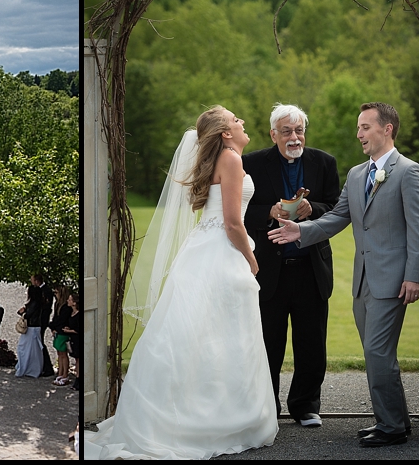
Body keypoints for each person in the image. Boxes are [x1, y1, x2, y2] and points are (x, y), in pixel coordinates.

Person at [86, 106, 277, 459]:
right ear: (225, 133)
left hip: (202, 250)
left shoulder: (221, 158)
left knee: (198, 335)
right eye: (236, 120)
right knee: (223, 334)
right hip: (221, 253)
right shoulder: (232, 159)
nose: (242, 123)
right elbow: (234, 224)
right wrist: (252, 261)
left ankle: (197, 411)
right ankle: (218, 417)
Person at [269, 102, 419, 447]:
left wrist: (415, 276)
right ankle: (395, 420)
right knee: (377, 354)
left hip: (394, 279)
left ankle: (391, 428)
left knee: (377, 353)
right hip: (363, 281)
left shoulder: (410, 171)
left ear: (387, 129)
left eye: (365, 127)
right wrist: (300, 232)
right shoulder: (358, 174)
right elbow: (337, 217)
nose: (358, 133)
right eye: (358, 127)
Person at [242, 104, 340, 427]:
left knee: (312, 342)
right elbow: (239, 210)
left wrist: (314, 208)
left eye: (299, 130)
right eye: (286, 131)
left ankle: (306, 405)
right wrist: (269, 212)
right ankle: (267, 408)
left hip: (311, 267)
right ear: (273, 134)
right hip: (270, 269)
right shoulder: (251, 163)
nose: (294, 137)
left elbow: (336, 207)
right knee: (268, 342)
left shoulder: (324, 163)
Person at [30, 274, 57, 377]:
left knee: (40, 342)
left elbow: (44, 307)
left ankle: (47, 367)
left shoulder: (46, 291)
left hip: (41, 321)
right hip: (40, 320)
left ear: (37, 281)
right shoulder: (43, 290)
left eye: (32, 280)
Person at [15, 286, 44, 378]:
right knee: (32, 349)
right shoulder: (38, 303)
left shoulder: (34, 303)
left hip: (32, 328)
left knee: (24, 348)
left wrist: (22, 312)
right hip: (34, 327)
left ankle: (27, 368)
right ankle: (32, 368)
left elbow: (27, 315)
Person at [49, 288, 73, 385]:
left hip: (63, 332)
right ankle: (60, 372)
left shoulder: (66, 308)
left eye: (56, 292)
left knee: (63, 354)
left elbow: (61, 320)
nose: (55, 294)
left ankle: (65, 374)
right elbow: (55, 317)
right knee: (59, 353)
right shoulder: (58, 304)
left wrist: (54, 326)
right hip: (58, 331)